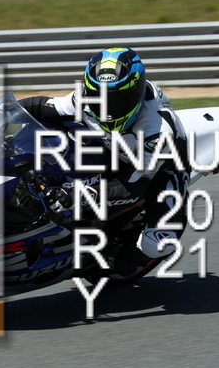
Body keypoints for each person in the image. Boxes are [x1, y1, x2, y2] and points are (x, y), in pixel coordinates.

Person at [19, 47, 191, 277]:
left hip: (159, 169)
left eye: (118, 99)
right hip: (114, 145)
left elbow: (133, 185)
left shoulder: (157, 133)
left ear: (136, 92)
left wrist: (81, 195)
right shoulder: (85, 98)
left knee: (157, 243)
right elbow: (43, 106)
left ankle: (139, 250)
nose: (107, 108)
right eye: (98, 97)